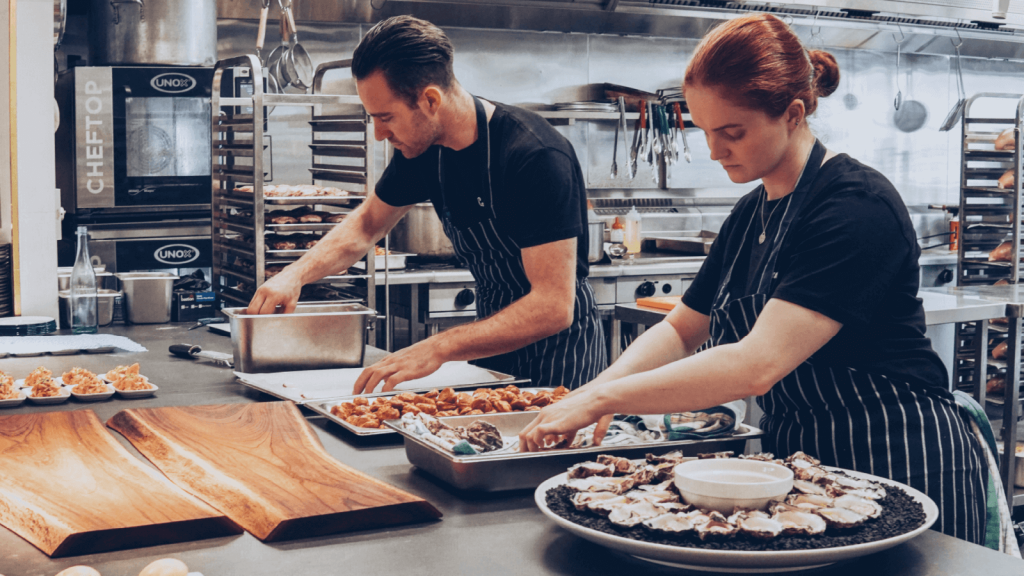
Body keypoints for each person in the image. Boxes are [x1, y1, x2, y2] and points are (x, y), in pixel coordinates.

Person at [519, 13, 986, 544]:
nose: (715, 151)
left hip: (899, 454)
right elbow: (680, 330)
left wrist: (606, 401)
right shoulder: (749, 214)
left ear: (791, 114)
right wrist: (592, 391)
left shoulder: (855, 206)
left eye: (731, 132)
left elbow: (756, 365)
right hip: (803, 470)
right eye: (705, 131)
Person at [247, 16, 606, 393]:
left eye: (386, 118)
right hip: (490, 346)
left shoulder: (534, 155)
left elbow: (552, 306)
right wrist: (294, 275)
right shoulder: (423, 151)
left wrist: (438, 347)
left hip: (561, 359)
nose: (380, 134)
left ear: (430, 100)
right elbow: (368, 224)